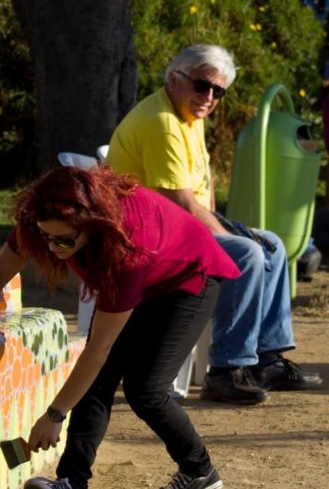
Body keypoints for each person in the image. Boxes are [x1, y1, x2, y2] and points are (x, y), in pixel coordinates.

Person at [0, 166, 238, 489]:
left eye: (64, 239)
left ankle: (200, 471)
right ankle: (71, 482)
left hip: (188, 277)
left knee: (145, 390)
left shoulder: (126, 246)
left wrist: (54, 415)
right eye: (46, 237)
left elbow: (98, 350)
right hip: (145, 278)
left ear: (93, 225)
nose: (53, 248)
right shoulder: (41, 219)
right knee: (97, 384)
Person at [107, 44, 322, 406]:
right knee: (247, 254)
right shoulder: (163, 124)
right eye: (202, 86)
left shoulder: (189, 114)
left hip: (173, 220)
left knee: (273, 244)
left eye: (217, 91)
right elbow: (180, 203)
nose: (208, 97)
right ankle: (226, 370)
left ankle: (266, 359)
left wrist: (228, 228)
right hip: (146, 229)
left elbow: (199, 192)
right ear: (174, 79)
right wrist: (228, 239)